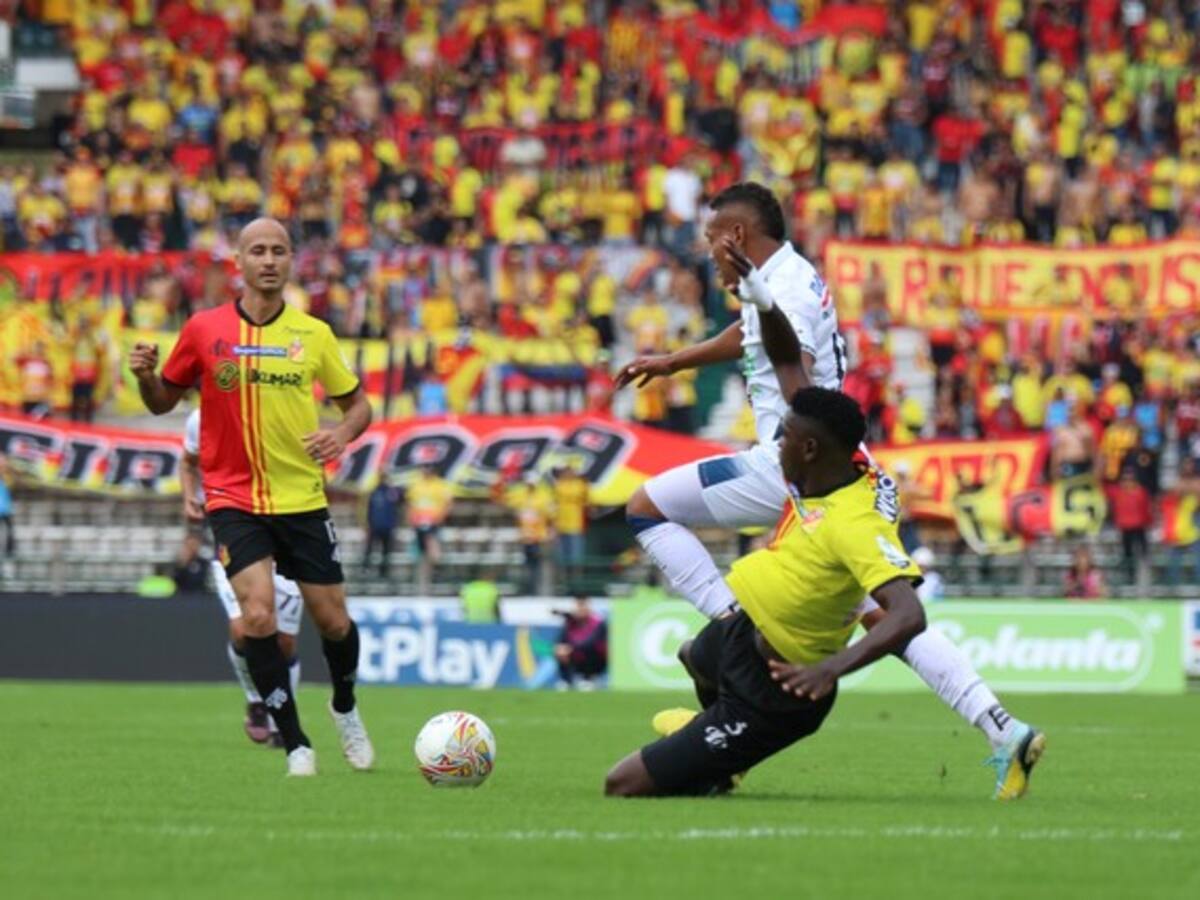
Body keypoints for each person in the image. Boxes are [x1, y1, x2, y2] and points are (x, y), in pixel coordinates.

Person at [615, 182, 1039, 794]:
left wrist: (792, 430)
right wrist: (677, 360)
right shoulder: (791, 276)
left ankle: (736, 630)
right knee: (879, 612)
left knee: (646, 506)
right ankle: (1003, 728)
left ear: (736, 236)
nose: (706, 252)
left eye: (711, 239)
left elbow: (799, 378)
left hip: (789, 463)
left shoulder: (779, 288)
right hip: (839, 471)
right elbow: (755, 335)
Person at [129, 217, 374, 777]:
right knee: (258, 617)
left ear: (291, 262)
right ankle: (295, 744)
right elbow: (163, 401)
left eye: (279, 251)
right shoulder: (203, 329)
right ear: (238, 262)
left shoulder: (313, 334)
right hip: (234, 499)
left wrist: (340, 433)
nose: (269, 260)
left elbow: (358, 405)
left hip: (302, 497)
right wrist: (146, 377)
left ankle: (345, 706)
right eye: (258, 251)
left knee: (333, 622)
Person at [604, 387, 932, 797]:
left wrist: (830, 669)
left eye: (785, 438)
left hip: (775, 693)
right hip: (741, 635)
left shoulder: (856, 523)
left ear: (809, 448)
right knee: (693, 654)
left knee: (621, 784)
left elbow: (909, 614)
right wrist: (760, 317)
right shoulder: (811, 483)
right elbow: (792, 370)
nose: (777, 449)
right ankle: (716, 759)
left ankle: (722, 755)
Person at [181, 407, 305, 747]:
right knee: (243, 627)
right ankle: (256, 699)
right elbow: (188, 460)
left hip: (285, 533)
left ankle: (284, 715)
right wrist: (188, 496)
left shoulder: (281, 407)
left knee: (284, 642)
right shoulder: (202, 417)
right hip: (234, 533)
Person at [405, 465, 454, 594]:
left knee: (432, 544)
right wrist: (411, 517)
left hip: (434, 521)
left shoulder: (440, 485)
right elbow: (411, 503)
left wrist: (441, 517)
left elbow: (448, 503)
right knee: (421, 548)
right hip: (418, 521)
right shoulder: (416, 484)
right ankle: (422, 574)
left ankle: (436, 569)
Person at [554, 598, 608, 689]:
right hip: (575, 656)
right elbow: (561, 639)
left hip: (597, 659)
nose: (580, 611)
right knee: (560, 650)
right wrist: (562, 648)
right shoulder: (570, 623)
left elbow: (591, 643)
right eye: (578, 608)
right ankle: (566, 681)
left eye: (583, 607)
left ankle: (588, 679)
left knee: (589, 651)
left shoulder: (597, 623)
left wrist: (571, 648)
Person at [1111, 469, 1152, 586]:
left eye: (1130, 480)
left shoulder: (1140, 493)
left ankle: (1144, 580)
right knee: (1127, 555)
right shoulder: (1119, 493)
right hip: (1126, 528)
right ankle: (1130, 579)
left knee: (1143, 555)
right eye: (1125, 480)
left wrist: (1147, 522)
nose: (1127, 482)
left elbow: (1145, 509)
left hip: (1139, 527)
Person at [553, 463, 589, 586]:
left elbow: (582, 496)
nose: (567, 474)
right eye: (565, 471)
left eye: (569, 471)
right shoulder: (559, 484)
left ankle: (576, 583)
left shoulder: (579, 484)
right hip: (560, 526)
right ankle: (562, 583)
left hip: (576, 526)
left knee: (575, 558)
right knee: (561, 558)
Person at [363, 475, 402, 577]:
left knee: (386, 550)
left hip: (387, 526)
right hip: (375, 525)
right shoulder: (374, 492)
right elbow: (369, 509)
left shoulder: (392, 492)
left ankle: (383, 571)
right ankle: (365, 568)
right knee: (370, 548)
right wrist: (367, 523)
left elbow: (400, 503)